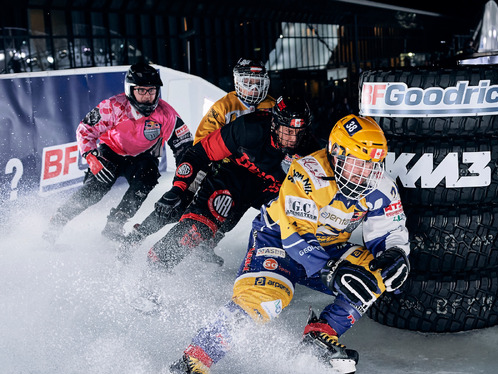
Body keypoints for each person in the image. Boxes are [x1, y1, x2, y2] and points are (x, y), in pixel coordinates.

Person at [167, 114, 410, 374]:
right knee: (267, 300)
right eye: (358, 164)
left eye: (372, 166)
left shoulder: (381, 186)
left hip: (327, 248)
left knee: (375, 273)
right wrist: (332, 270)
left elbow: (391, 233)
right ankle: (192, 360)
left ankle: (321, 335)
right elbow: (295, 235)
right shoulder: (307, 172)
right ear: (336, 155)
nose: (364, 175)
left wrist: (397, 255)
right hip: (277, 240)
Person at [117, 58, 275, 262]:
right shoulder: (224, 106)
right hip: (215, 164)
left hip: (247, 172)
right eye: (247, 83)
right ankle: (139, 234)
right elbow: (202, 144)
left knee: (232, 207)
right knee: (178, 202)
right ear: (238, 83)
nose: (253, 89)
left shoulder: (272, 105)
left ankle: (208, 243)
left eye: (258, 83)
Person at [141, 95, 319, 273]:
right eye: (288, 131)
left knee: (298, 221)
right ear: (274, 124)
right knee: (200, 225)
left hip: (271, 190)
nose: (293, 139)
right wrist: (178, 188)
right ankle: (156, 264)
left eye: (299, 132)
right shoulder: (248, 128)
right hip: (234, 175)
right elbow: (198, 153)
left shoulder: (311, 151)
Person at [42, 63, 193, 243]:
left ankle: (115, 223)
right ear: (130, 90)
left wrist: (184, 182)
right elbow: (85, 129)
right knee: (96, 187)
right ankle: (58, 220)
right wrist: (90, 157)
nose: (147, 97)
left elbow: (184, 147)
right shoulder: (112, 106)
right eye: (141, 91)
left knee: (148, 177)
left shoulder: (167, 114)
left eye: (151, 91)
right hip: (110, 152)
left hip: (143, 156)